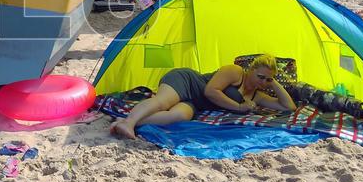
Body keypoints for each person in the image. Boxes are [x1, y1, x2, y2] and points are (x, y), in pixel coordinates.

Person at [110, 54, 295, 138]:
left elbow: (289, 107)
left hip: (195, 103)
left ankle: (125, 121)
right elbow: (210, 91)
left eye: (267, 80)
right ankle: (129, 123)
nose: (262, 82)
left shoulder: (256, 96)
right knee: (162, 103)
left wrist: (273, 82)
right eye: (260, 76)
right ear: (251, 70)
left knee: (178, 116)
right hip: (188, 82)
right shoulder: (235, 72)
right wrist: (239, 107)